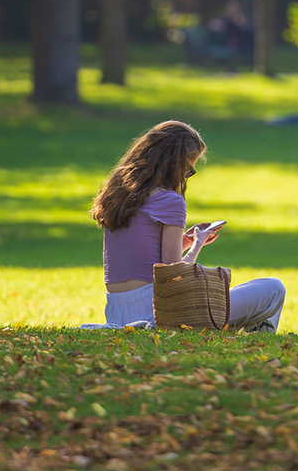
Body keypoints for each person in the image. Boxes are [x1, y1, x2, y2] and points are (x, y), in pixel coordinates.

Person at [88, 120, 286, 331]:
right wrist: (197, 245)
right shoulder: (170, 200)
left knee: (252, 302)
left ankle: (253, 331)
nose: (185, 176)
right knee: (273, 288)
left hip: (117, 312)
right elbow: (174, 279)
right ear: (174, 164)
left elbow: (139, 259)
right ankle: (261, 337)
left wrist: (183, 242)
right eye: (188, 170)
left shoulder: (117, 196)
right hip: (160, 314)